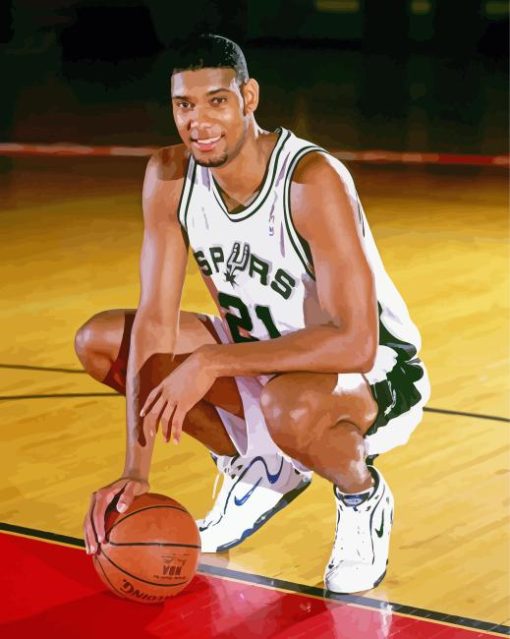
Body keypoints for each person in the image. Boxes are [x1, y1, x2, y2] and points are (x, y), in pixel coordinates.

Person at [76, 34, 430, 594]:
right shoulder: (168, 175)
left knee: (287, 405)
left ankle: (362, 495)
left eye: (216, 101)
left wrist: (214, 360)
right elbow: (153, 323)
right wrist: (135, 471)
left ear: (250, 96)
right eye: (183, 105)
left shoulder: (310, 180)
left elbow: (357, 342)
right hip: (258, 357)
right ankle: (261, 468)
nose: (199, 121)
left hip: (374, 372)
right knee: (101, 341)